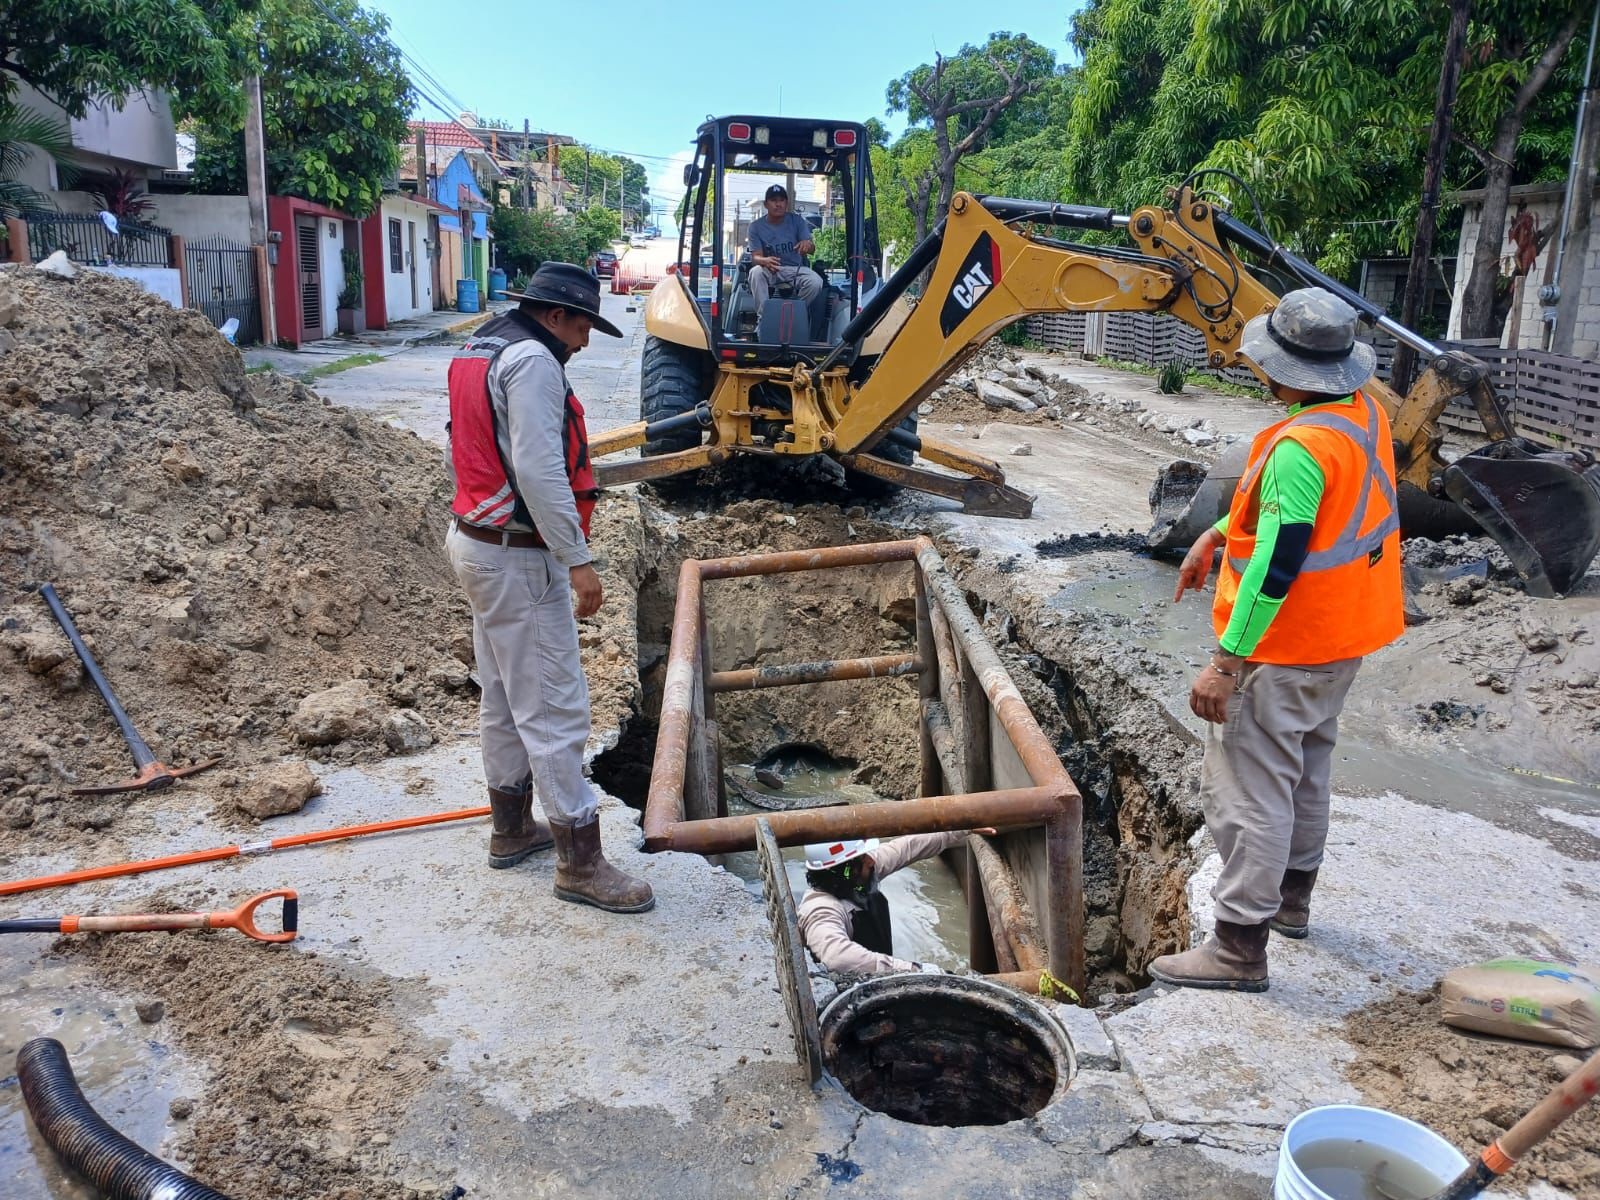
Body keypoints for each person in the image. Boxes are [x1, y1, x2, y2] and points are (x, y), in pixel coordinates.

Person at [1148, 287, 1404, 992]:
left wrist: (1229, 661)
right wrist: (1216, 530)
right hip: (1341, 639)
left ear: (1281, 367)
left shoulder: (1298, 448)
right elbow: (1316, 521)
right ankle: (1291, 903)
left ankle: (1237, 947)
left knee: (1251, 788)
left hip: (1282, 650)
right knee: (1307, 767)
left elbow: (1283, 558)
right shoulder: (1359, 418)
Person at [444, 261, 654, 914]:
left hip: (476, 543)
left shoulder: (479, 346)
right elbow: (539, 468)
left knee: (504, 697)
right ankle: (580, 862)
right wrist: (578, 559)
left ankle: (511, 829)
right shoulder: (533, 362)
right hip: (517, 554)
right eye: (584, 326)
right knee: (555, 707)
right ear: (557, 316)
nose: (585, 342)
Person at [797, 830, 987, 974]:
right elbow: (838, 958)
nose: (872, 861)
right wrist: (913, 970)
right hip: (845, 993)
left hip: (877, 976)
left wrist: (965, 830)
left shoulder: (857, 878)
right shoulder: (820, 909)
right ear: (845, 871)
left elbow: (907, 847)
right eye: (863, 858)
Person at [747, 183, 825, 337]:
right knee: (755, 273)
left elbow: (812, 248)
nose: (778, 204)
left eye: (782, 200)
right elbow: (755, 257)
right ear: (766, 204)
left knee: (816, 281)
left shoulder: (797, 221)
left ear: (786, 203)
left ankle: (794, 315)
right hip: (770, 269)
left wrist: (807, 245)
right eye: (774, 200)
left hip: (794, 270)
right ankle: (765, 319)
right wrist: (765, 261)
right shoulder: (755, 227)